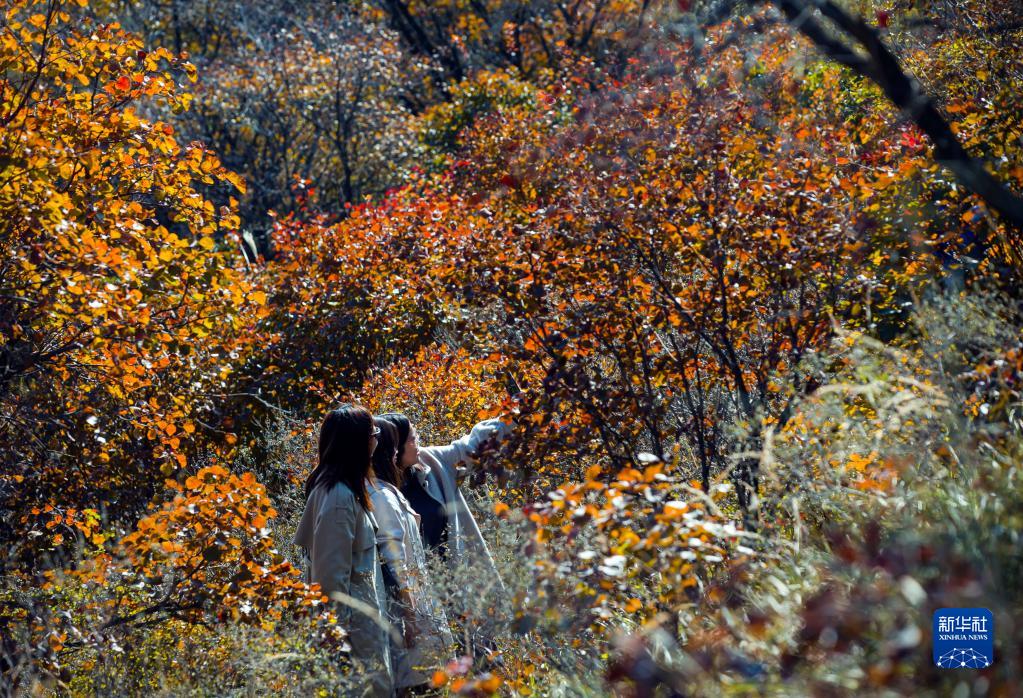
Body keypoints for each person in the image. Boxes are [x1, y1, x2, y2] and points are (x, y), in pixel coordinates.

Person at [294, 404, 393, 698]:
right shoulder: (338, 497)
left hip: (360, 629)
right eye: (372, 433)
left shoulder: (346, 489)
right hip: (353, 637)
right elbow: (329, 580)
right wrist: (337, 643)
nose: (376, 438)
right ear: (358, 443)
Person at [370, 418, 454, 693]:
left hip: (417, 608)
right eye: (394, 446)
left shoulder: (389, 491)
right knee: (420, 682)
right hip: (411, 616)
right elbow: (394, 561)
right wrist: (411, 619)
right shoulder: (381, 496)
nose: (396, 452)